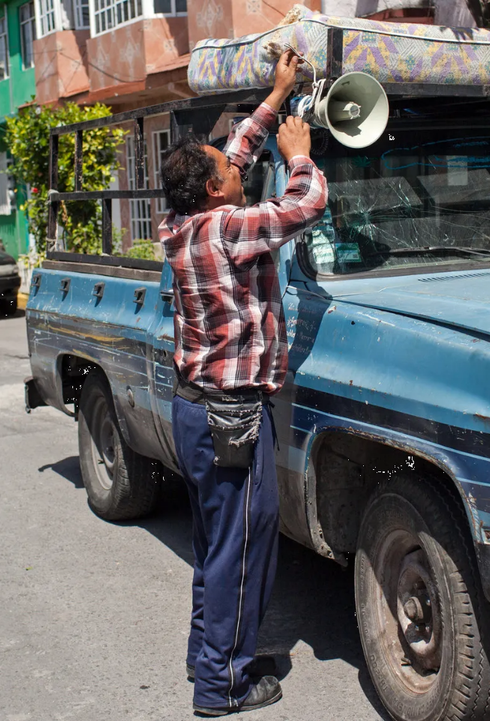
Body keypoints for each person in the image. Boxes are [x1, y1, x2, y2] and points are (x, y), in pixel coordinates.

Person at [158, 49, 328, 717]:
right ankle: (224, 683)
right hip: (233, 414)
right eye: (230, 171)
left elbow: (231, 151)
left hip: (195, 411)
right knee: (246, 543)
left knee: (215, 543)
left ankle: (208, 655)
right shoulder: (231, 228)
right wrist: (300, 151)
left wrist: (278, 92)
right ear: (215, 191)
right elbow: (306, 202)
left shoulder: (181, 225)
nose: (238, 166)